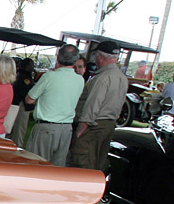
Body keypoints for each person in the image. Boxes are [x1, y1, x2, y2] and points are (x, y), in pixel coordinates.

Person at [67, 40, 128, 170]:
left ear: (100, 56)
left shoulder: (102, 77)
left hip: (93, 126)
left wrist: (81, 129)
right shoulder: (122, 77)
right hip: (109, 125)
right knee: (98, 163)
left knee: (82, 162)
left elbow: (93, 103)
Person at [22, 44, 84, 166]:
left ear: (58, 57)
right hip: (66, 129)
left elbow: (29, 99)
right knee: (57, 168)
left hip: (46, 128)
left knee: (37, 165)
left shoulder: (49, 76)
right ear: (75, 59)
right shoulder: (80, 80)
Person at [7, 58, 36, 146]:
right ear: (28, 66)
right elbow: (25, 93)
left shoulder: (19, 75)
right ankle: (17, 146)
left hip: (14, 104)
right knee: (20, 128)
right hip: (21, 105)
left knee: (11, 128)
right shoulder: (25, 79)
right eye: (32, 65)